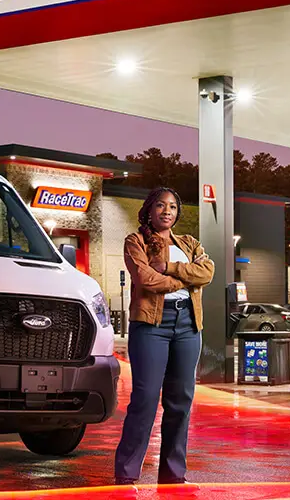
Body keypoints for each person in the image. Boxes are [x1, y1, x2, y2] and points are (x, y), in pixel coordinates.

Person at [114, 187, 214, 485]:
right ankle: (126, 472)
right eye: (160, 205)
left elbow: (207, 272)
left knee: (180, 400)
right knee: (145, 398)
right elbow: (145, 279)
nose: (167, 211)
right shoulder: (136, 241)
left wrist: (170, 269)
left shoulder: (190, 243)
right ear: (149, 209)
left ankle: (173, 474)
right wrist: (183, 281)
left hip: (188, 324)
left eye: (172, 206)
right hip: (151, 326)